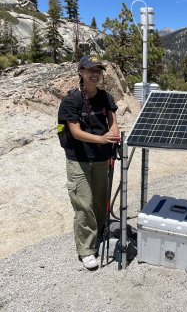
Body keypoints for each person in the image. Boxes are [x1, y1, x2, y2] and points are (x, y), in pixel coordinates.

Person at [58, 55, 120, 270]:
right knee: (83, 205)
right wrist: (102, 139)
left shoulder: (105, 97)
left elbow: (113, 122)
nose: (95, 74)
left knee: (100, 200)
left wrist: (113, 135)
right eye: (90, 69)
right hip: (79, 160)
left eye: (99, 70)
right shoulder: (71, 100)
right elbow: (75, 132)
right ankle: (86, 249)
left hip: (102, 158)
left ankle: (99, 233)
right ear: (81, 72)